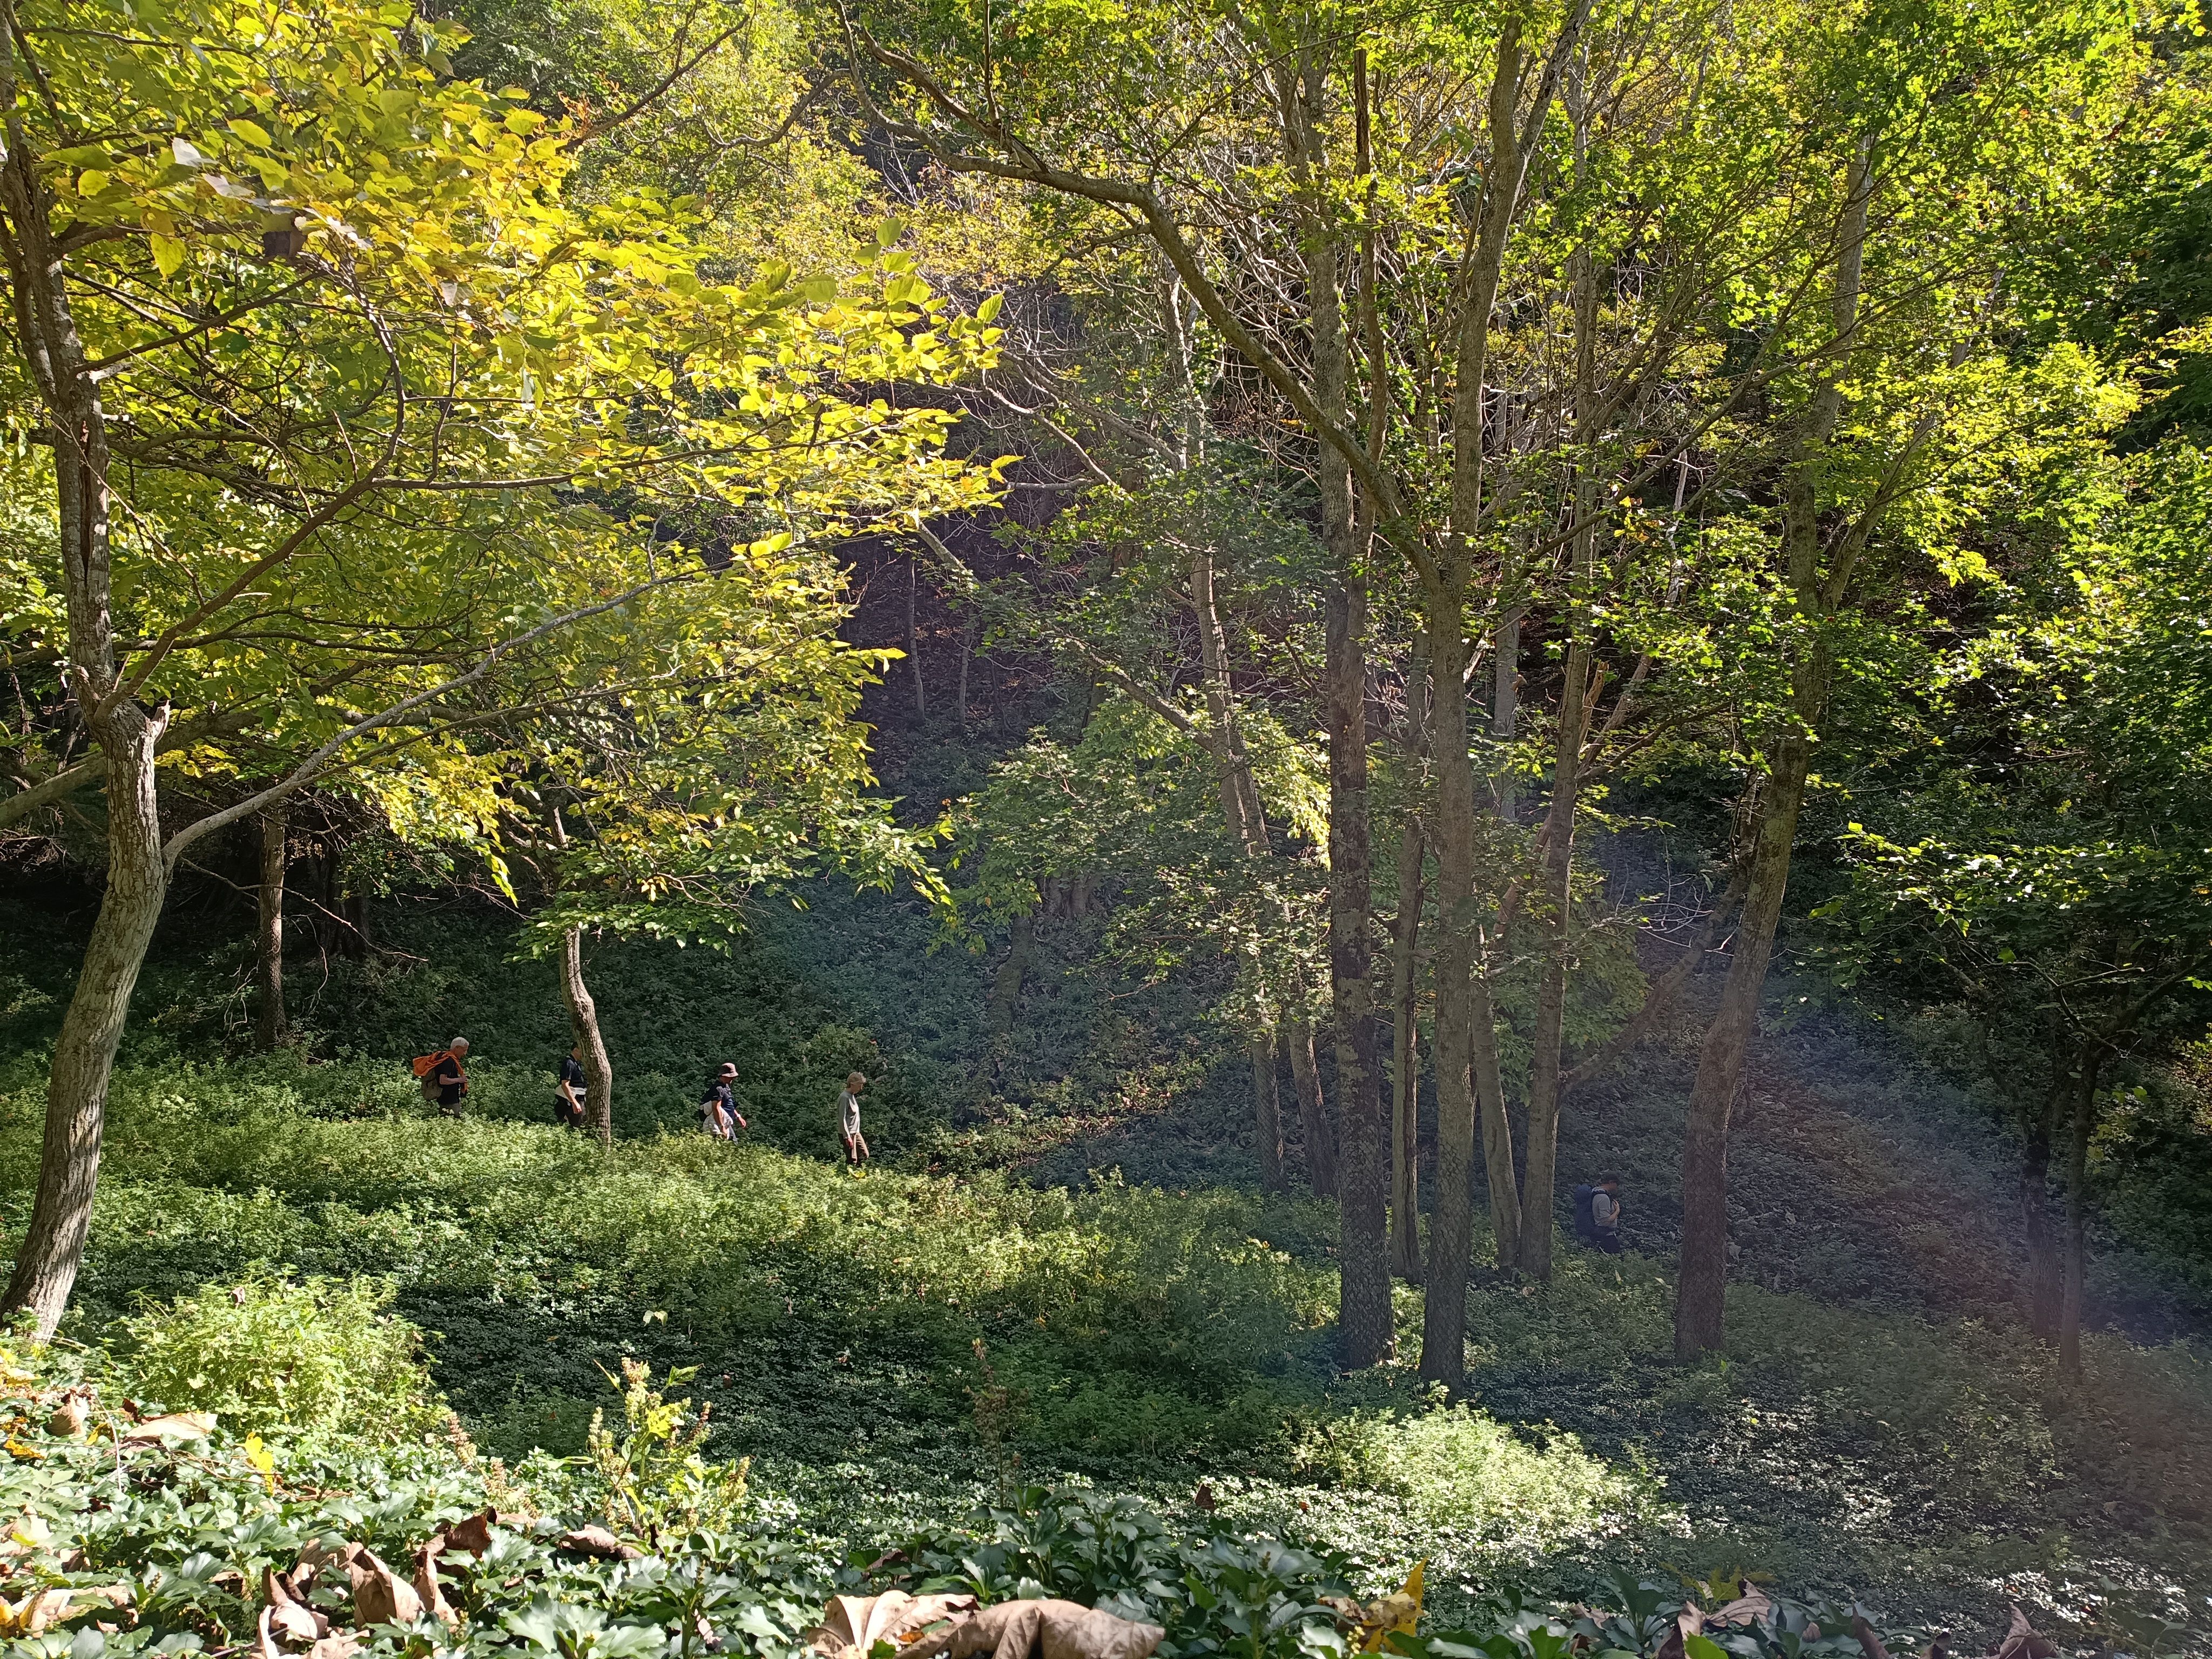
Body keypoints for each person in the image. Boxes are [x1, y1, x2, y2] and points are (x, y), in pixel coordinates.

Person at [1573, 1172, 1624, 1254]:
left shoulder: (1596, 1192)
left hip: (1600, 1234)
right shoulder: (1603, 1197)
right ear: (1611, 1182)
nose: (1617, 1187)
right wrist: (1617, 1211)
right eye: (1616, 1184)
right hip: (1606, 1236)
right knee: (1615, 1260)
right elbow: (1605, 1221)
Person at [700, 1062, 747, 1141]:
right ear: (724, 1076)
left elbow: (729, 1104)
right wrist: (722, 1127)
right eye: (731, 1077)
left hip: (726, 1122)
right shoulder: (718, 1089)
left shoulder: (726, 1087)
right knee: (732, 1145)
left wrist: (738, 1117)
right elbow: (716, 1108)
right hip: (720, 1123)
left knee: (730, 1146)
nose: (732, 1079)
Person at [839, 1071, 871, 1170]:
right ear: (852, 1084)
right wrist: (847, 1136)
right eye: (860, 1085)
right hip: (848, 1133)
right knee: (852, 1160)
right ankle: (848, 1178)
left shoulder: (852, 1096)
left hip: (856, 1133)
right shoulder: (845, 1097)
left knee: (864, 1155)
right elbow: (842, 1118)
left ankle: (859, 1176)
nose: (861, 1088)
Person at [431, 1038, 469, 1117]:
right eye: (464, 1050)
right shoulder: (448, 1061)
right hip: (448, 1101)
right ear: (457, 1048)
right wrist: (460, 1080)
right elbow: (443, 1080)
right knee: (456, 1123)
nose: (465, 1053)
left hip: (448, 1099)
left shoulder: (446, 1058)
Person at [555, 1044, 587, 1129]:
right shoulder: (569, 1063)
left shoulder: (576, 1063)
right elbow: (565, 1085)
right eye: (582, 1052)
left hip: (578, 1097)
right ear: (576, 1050)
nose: (584, 1055)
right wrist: (574, 1102)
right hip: (572, 1098)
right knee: (579, 1126)